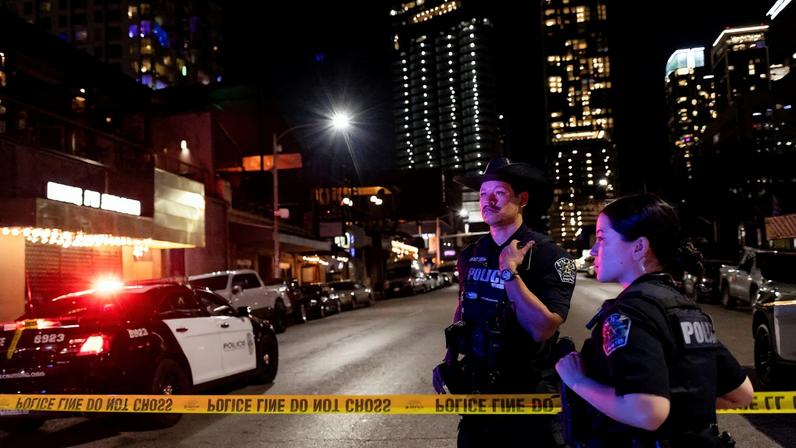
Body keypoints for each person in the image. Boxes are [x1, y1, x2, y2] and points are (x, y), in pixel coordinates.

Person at [555, 193, 754, 447]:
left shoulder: (632, 312)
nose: (593, 250)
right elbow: (741, 393)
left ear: (639, 247)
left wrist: (578, 381)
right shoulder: (684, 307)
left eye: (602, 238)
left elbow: (647, 413)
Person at [435, 157, 577, 447]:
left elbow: (543, 329)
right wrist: (449, 361)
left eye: (498, 193)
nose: (488, 201)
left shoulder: (551, 256)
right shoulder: (471, 253)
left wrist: (509, 272)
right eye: (483, 194)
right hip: (478, 400)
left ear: (522, 199)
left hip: (530, 400)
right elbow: (465, 306)